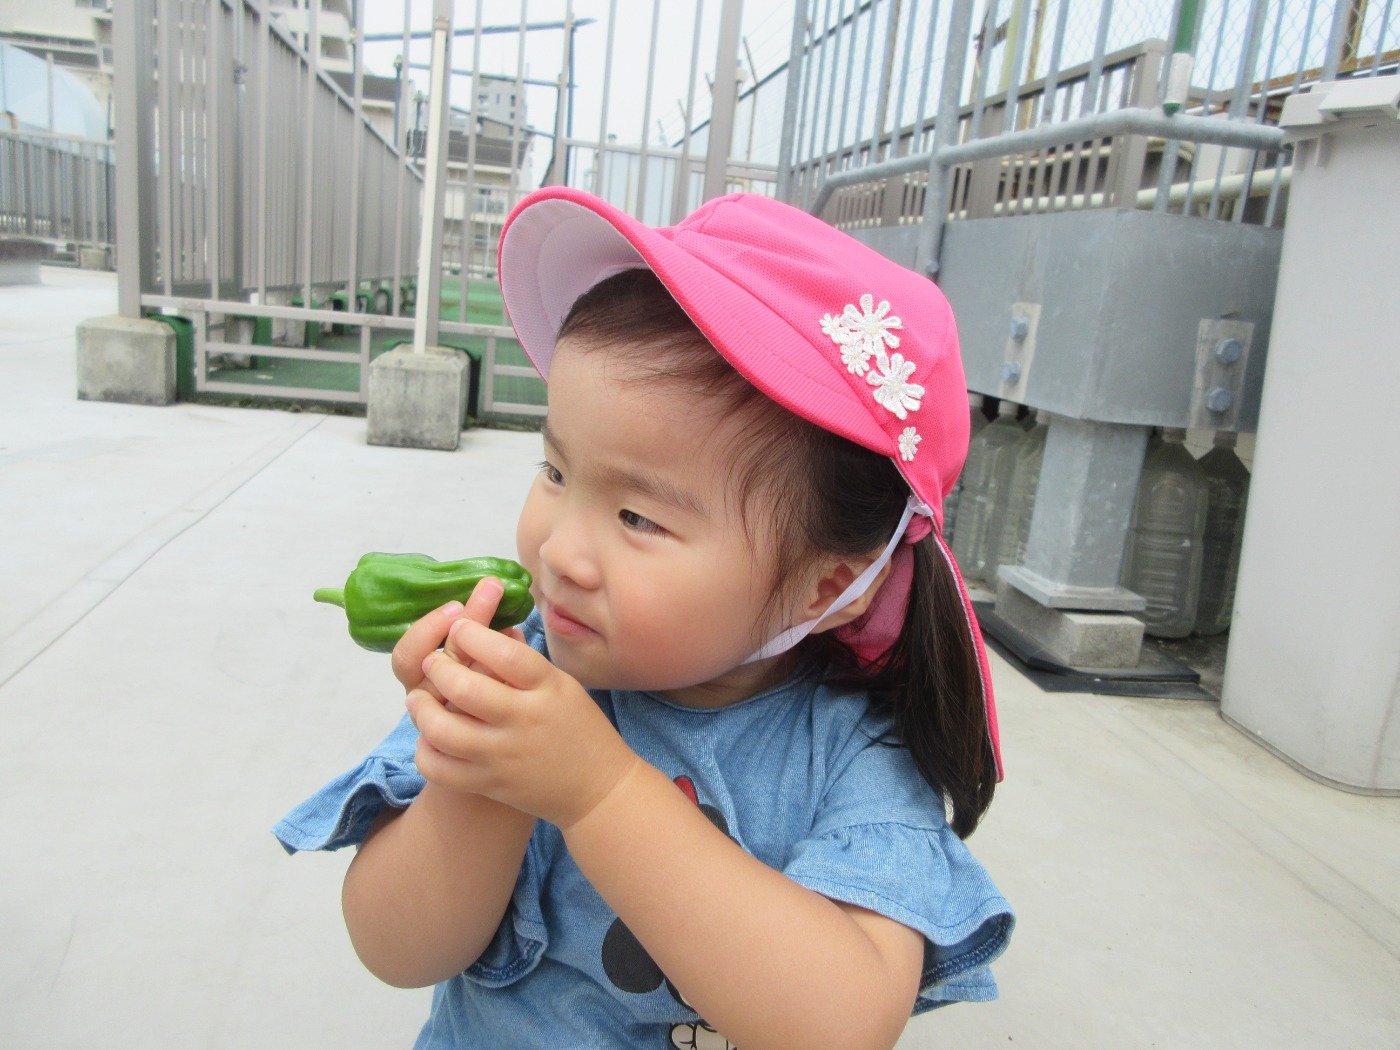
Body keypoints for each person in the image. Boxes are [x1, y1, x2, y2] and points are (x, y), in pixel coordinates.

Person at [275, 188, 1013, 1049]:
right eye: (555, 472)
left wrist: (599, 793)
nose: (559, 551)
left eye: (637, 518)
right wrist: (479, 779)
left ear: (824, 591)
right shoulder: (520, 671)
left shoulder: (850, 754)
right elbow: (397, 947)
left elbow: (842, 1024)